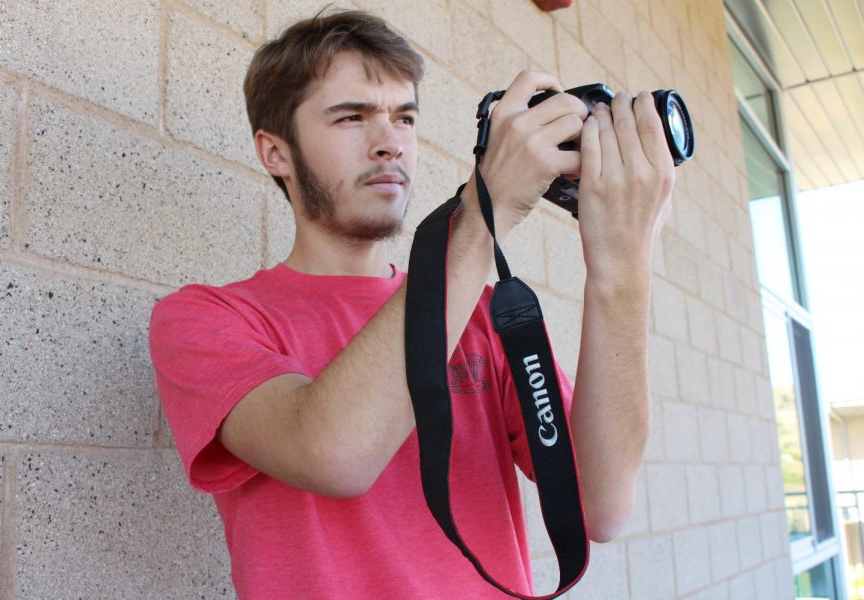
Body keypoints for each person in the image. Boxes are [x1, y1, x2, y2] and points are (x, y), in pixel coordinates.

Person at [148, 9, 674, 599]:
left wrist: (623, 265)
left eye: (405, 117)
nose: (389, 143)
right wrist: (484, 212)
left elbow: (600, 508)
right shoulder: (207, 319)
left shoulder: (483, 316)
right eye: (352, 117)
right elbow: (332, 454)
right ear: (275, 152)